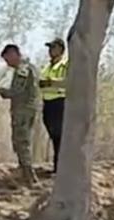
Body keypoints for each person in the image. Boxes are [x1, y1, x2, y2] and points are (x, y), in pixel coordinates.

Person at [0, 43, 40, 183]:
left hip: (23, 109)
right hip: (26, 108)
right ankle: (24, 170)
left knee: (22, 141)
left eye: (7, 59)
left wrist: (6, 93)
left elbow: (18, 90)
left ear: (13, 54)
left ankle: (28, 174)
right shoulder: (29, 67)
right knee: (20, 140)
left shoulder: (23, 69)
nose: (7, 63)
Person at [40, 38, 69, 173]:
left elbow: (69, 82)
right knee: (53, 135)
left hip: (60, 102)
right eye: (50, 48)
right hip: (47, 103)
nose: (50, 51)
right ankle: (58, 165)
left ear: (61, 50)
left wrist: (51, 83)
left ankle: (60, 166)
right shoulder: (46, 67)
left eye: (53, 47)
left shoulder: (66, 64)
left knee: (60, 135)